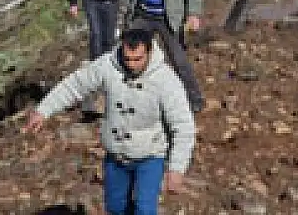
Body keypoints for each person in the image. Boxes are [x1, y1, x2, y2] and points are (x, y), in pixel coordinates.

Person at [23, 28, 195, 215]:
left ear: (150, 52)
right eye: (127, 59)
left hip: (150, 155)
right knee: (115, 208)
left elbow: (183, 125)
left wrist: (177, 168)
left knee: (145, 209)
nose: (131, 65)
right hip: (116, 154)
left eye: (138, 59)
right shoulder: (108, 66)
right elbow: (75, 85)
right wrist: (43, 110)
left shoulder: (166, 80)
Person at [124, 0, 205, 112]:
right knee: (130, 52)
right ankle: (131, 97)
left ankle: (195, 99)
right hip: (144, 15)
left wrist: (193, 14)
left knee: (178, 59)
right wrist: (128, 16)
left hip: (168, 17)